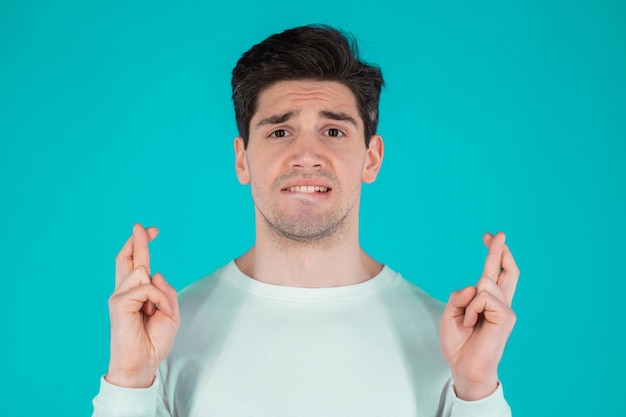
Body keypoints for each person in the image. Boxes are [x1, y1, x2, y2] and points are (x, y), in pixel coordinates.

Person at [92, 24, 519, 417]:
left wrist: (476, 387)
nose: (307, 156)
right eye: (280, 131)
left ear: (371, 159)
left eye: (334, 131)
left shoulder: (448, 342)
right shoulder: (165, 334)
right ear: (242, 160)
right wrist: (130, 378)